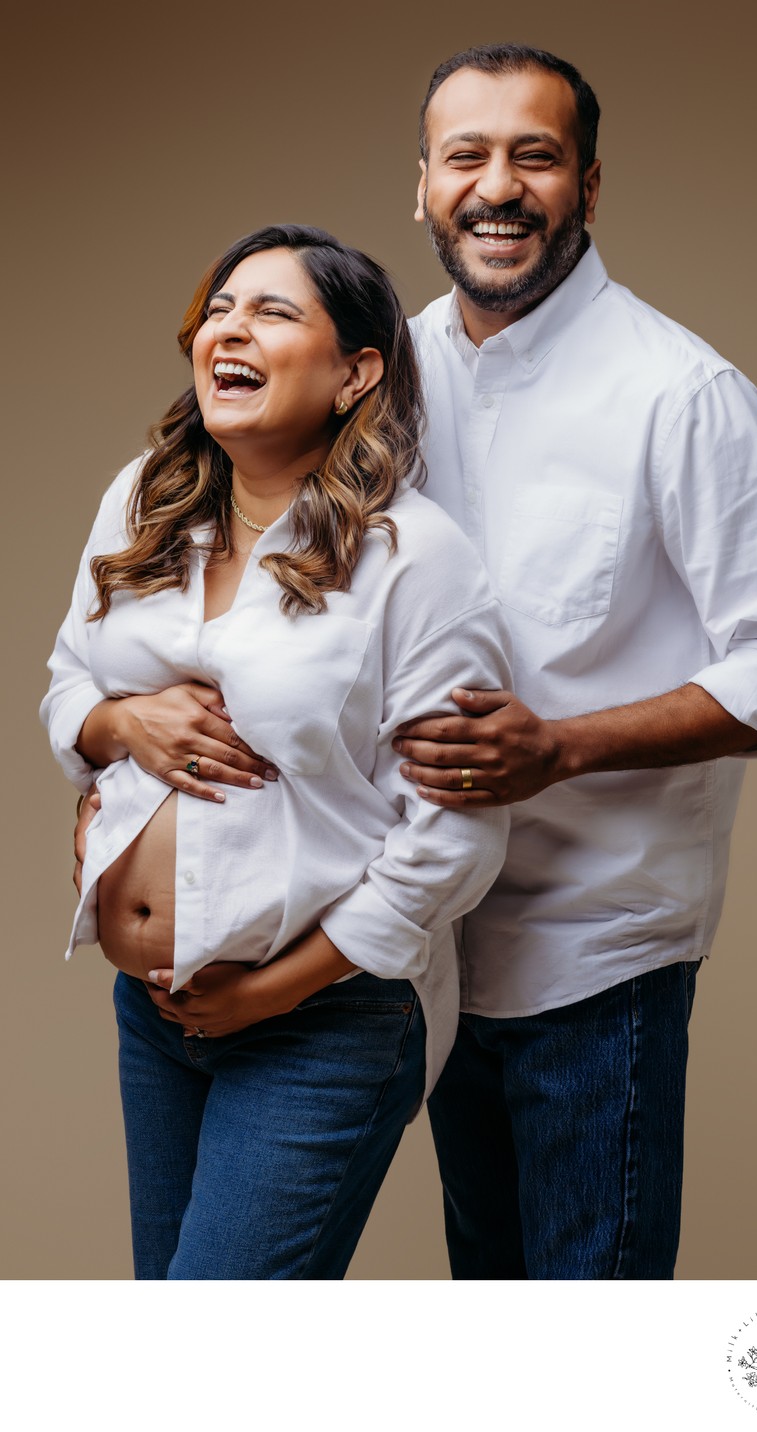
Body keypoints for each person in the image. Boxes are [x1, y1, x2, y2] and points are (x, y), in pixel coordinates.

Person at [390, 44, 757, 1279]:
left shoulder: (680, 394)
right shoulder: (378, 377)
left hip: (599, 952)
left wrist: (560, 747)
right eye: (467, 156)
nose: (499, 186)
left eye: (534, 156)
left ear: (586, 186)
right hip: (423, 941)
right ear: (421, 186)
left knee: (595, 1350)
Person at [41, 223, 512, 1281]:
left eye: (271, 311)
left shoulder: (413, 558)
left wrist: (272, 990)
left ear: (355, 373)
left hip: (323, 1019)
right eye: (217, 309)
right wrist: (118, 725)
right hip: (154, 1011)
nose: (229, 330)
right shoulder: (144, 499)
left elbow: (458, 836)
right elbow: (69, 680)